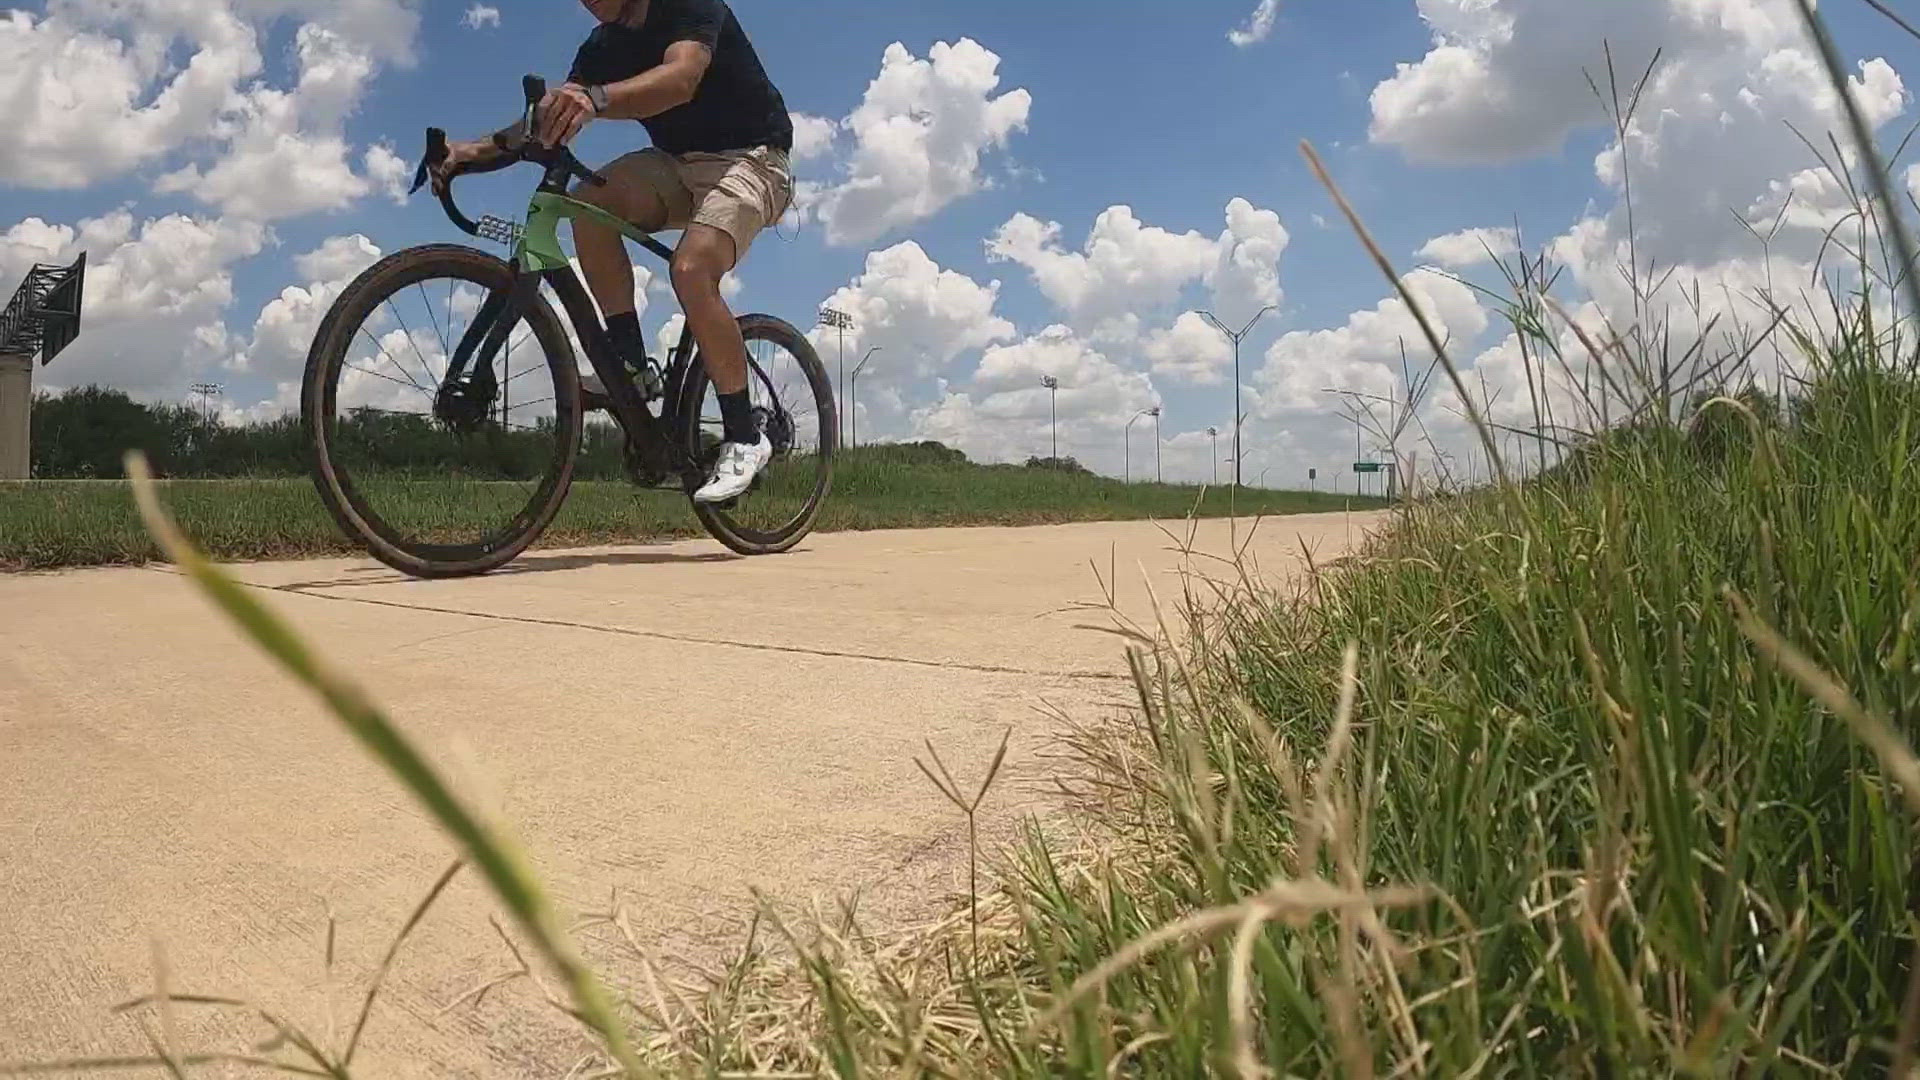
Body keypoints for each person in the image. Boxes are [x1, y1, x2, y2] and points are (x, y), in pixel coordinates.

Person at [433, 0, 794, 503]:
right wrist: (466, 153)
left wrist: (595, 99)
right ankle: (629, 366)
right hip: (674, 163)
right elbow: (550, 119)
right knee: (585, 206)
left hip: (752, 159)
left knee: (690, 271)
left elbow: (680, 77)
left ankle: (744, 436)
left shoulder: (688, 5)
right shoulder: (603, 46)